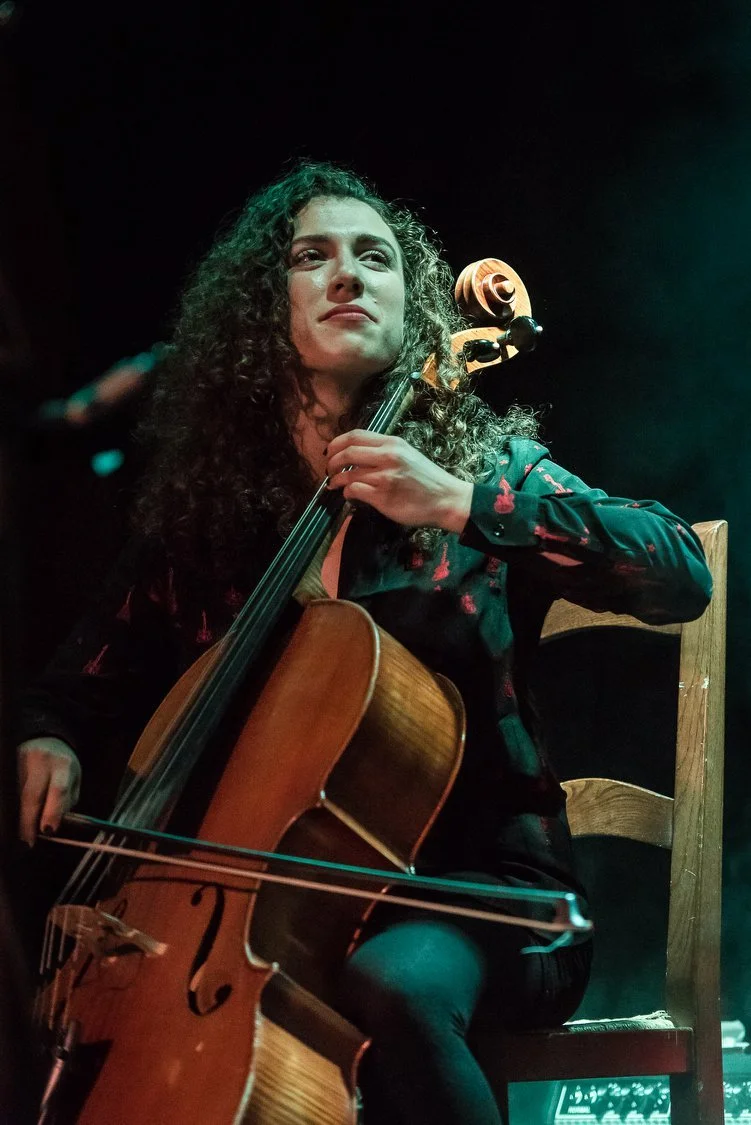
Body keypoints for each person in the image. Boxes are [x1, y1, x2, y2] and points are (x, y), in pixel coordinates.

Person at [15, 161, 712, 1125]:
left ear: (410, 304)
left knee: (388, 986)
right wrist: (44, 734)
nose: (347, 275)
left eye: (374, 257)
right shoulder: (211, 517)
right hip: (265, 918)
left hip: (487, 900)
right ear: (269, 309)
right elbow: (81, 676)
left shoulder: (474, 465)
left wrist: (464, 504)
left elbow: (677, 569)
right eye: (313, 257)